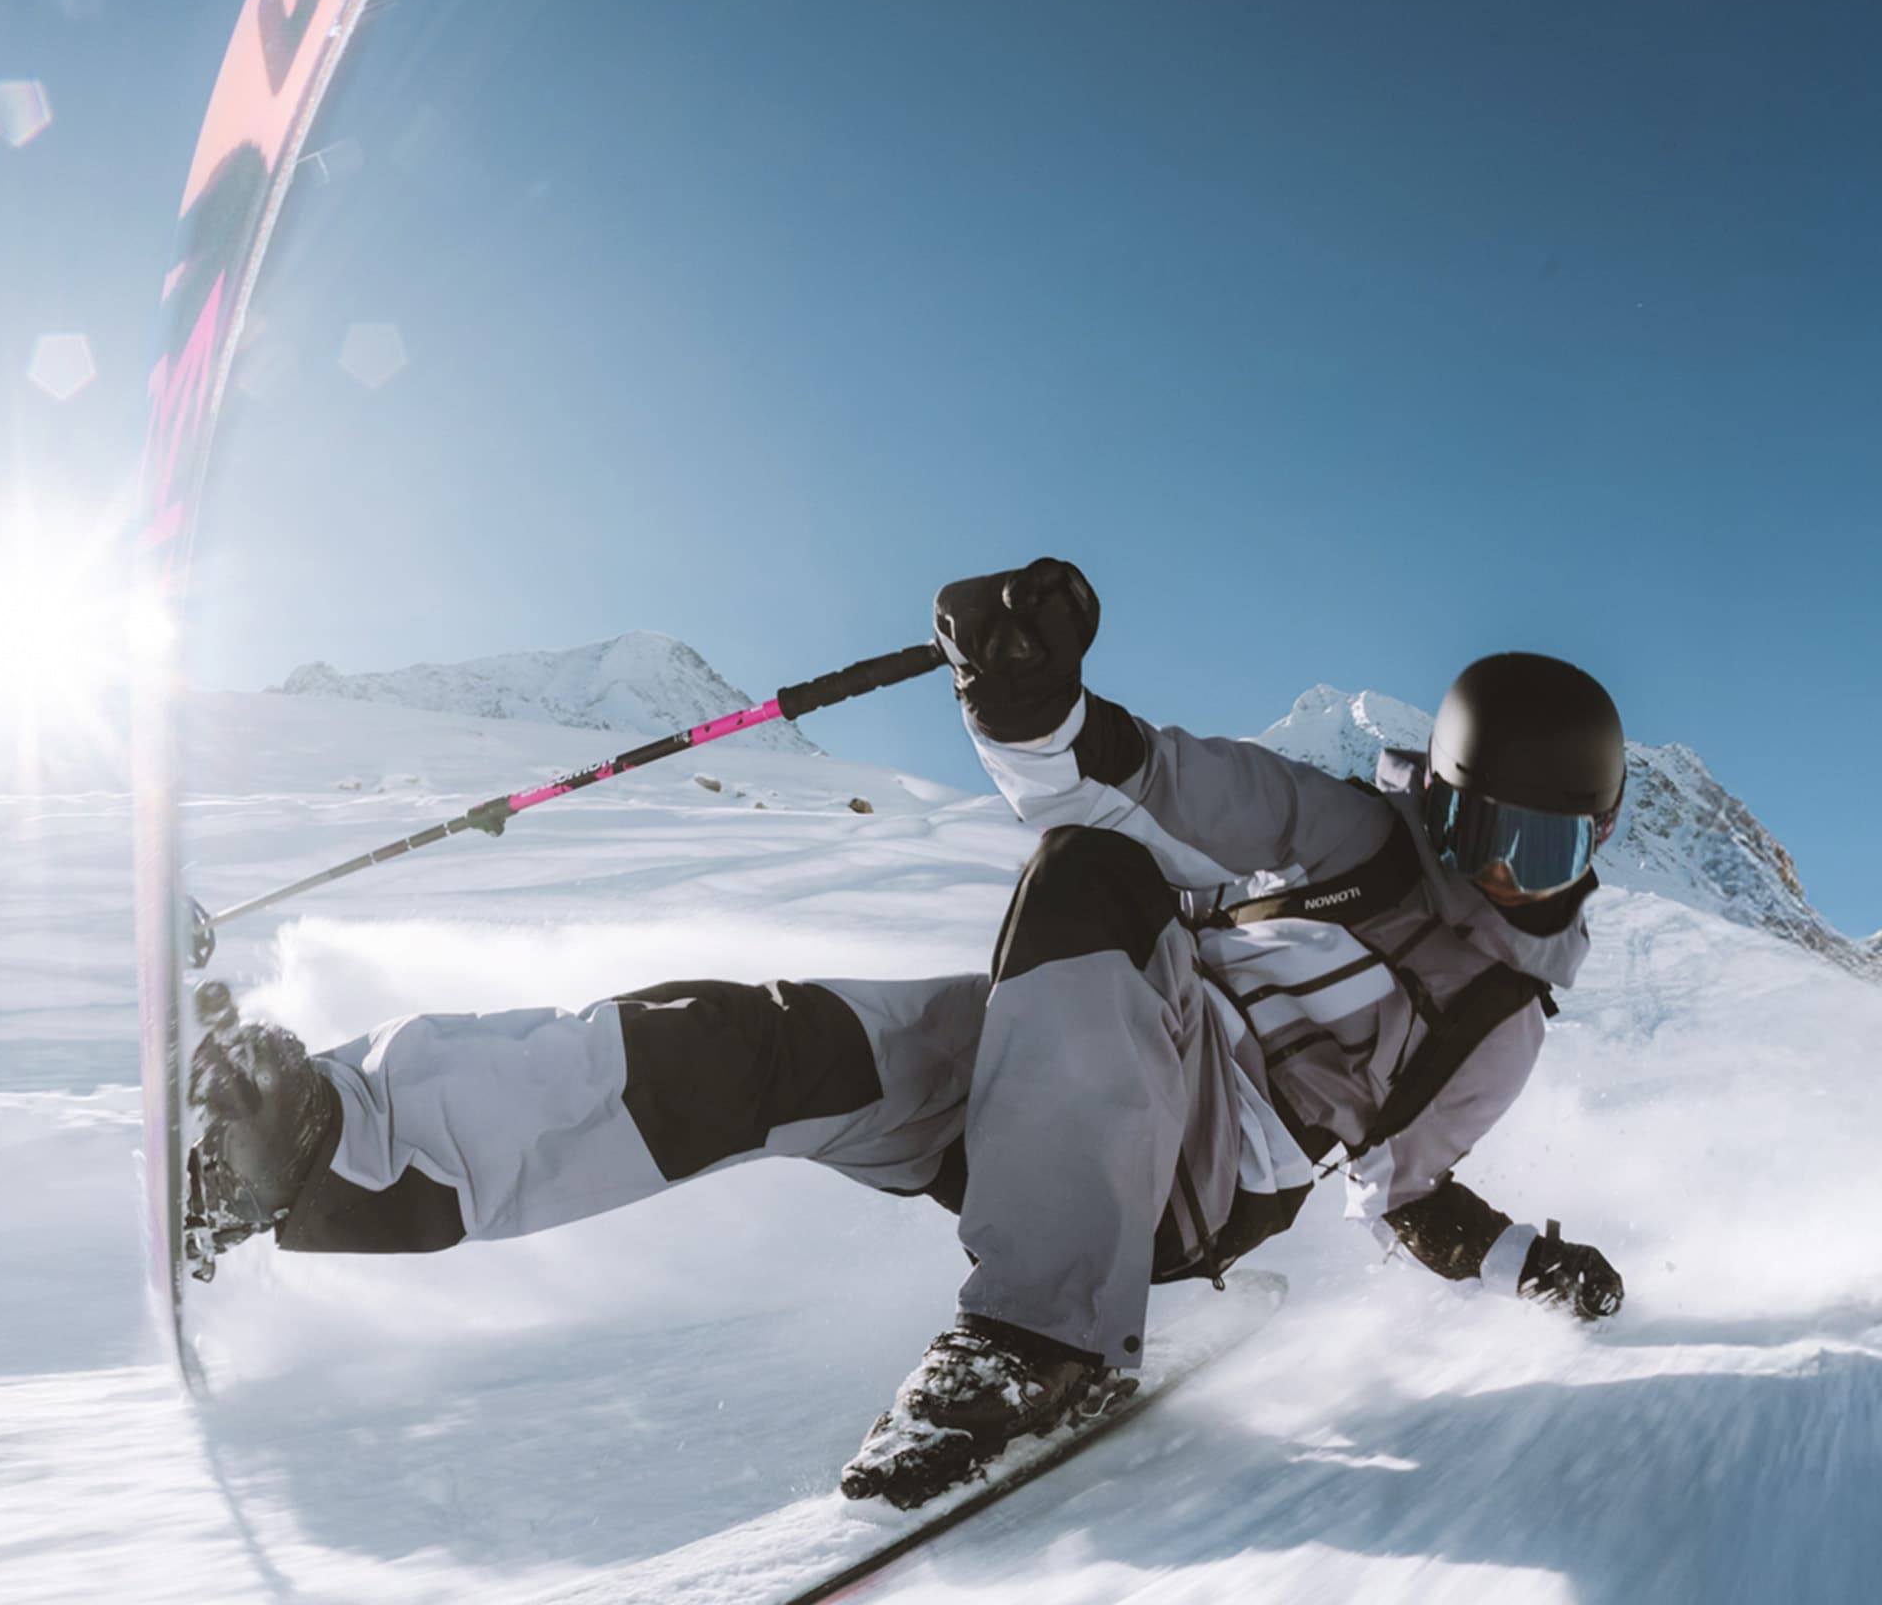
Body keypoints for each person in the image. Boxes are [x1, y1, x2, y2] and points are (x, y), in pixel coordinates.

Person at [189, 558, 1626, 1509]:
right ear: (1437, 795)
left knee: (1092, 880)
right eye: (1490, 831)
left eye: (1551, 849)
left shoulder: (1500, 1019)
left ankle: (1042, 1337)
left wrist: (1527, 1261)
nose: (1512, 875)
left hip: (1194, 1182)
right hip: (1084, 1056)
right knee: (761, 1043)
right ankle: (334, 1155)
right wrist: (1031, 698)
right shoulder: (1351, 831)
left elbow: (1406, 1194)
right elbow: (1146, 778)